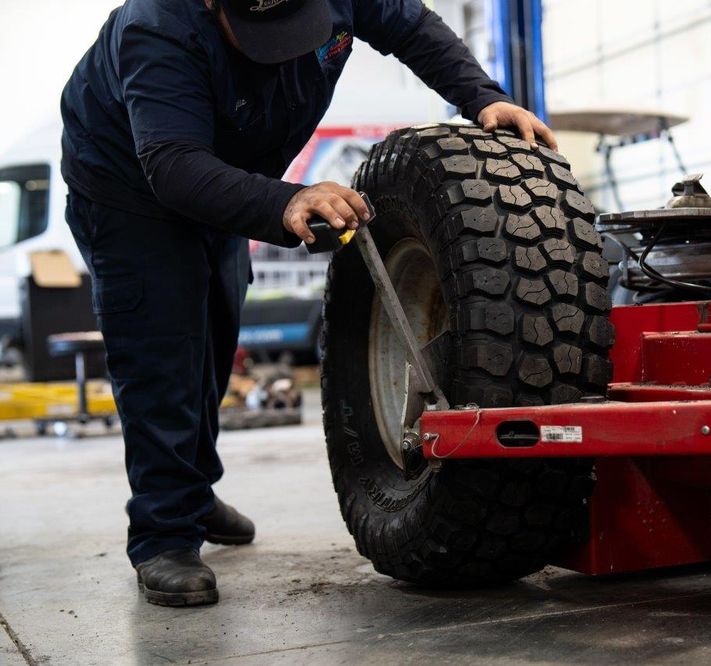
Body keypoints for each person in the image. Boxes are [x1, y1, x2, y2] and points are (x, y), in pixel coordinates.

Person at [60, 0, 559, 607]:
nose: (289, 49)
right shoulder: (157, 27)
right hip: (131, 191)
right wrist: (283, 201)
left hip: (230, 169)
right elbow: (174, 165)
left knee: (215, 337)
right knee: (162, 351)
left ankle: (190, 492)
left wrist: (481, 96)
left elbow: (411, 25)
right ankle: (164, 533)